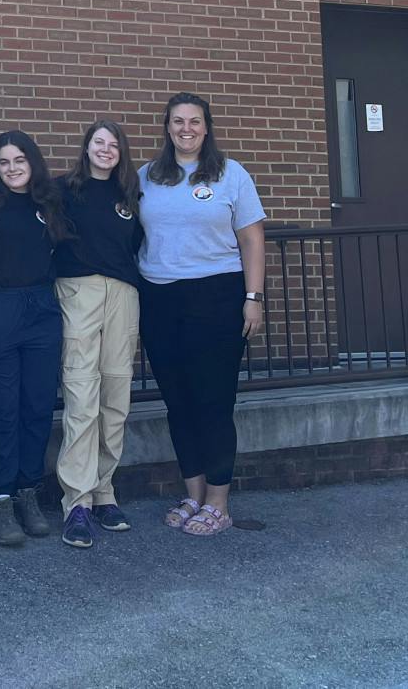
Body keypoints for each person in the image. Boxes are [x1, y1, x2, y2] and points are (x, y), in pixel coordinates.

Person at [137, 92, 267, 536]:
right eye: (178, 121)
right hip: (159, 299)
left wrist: (253, 296)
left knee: (213, 402)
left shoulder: (231, 174)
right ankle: (193, 495)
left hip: (216, 296)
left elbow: (251, 239)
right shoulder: (147, 177)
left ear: (206, 127)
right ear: (167, 127)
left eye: (194, 121)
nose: (186, 129)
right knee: (178, 403)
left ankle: (218, 502)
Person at [51, 117, 144, 548]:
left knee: (115, 399)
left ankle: (105, 492)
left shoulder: (130, 195)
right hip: (78, 293)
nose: (106, 150)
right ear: (86, 148)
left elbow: (137, 244)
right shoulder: (63, 190)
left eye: (113, 145)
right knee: (82, 397)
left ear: (120, 153)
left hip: (123, 295)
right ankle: (77, 502)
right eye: (99, 143)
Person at [0, 129, 65, 545]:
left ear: (33, 162)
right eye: (4, 162)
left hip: (42, 309)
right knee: (2, 407)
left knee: (38, 405)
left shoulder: (50, 202)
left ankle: (28, 491)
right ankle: (1, 498)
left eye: (19, 160)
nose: (12, 168)